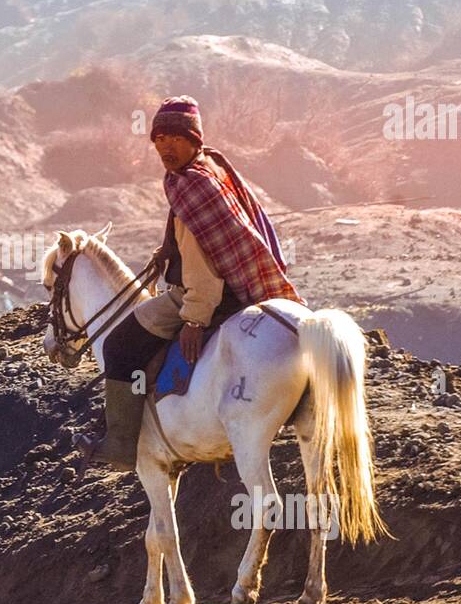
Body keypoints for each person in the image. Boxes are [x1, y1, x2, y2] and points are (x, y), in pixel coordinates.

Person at [77, 95, 304, 471]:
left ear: (194, 140)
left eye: (174, 138)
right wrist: (168, 249)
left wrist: (196, 319)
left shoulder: (191, 187)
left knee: (119, 345)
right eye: (159, 139)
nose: (165, 146)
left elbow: (202, 266)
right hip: (237, 288)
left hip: (204, 296)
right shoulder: (205, 172)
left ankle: (119, 445)